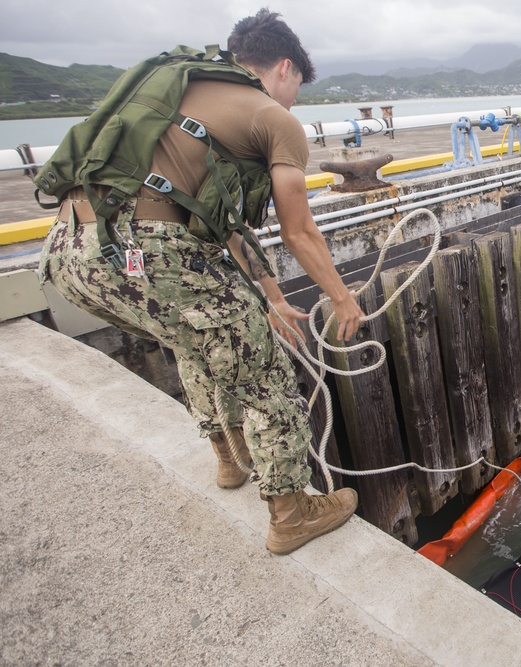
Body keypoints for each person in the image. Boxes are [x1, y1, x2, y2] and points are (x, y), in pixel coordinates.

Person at [38, 9, 364, 555]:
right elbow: (299, 230)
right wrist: (341, 297)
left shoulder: (181, 92)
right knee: (266, 379)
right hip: (151, 251)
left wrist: (273, 297)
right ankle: (291, 514)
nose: (292, 102)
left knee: (196, 340)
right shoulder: (273, 117)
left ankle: (230, 460)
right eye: (297, 88)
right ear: (285, 67)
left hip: (71, 253)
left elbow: (218, 227)